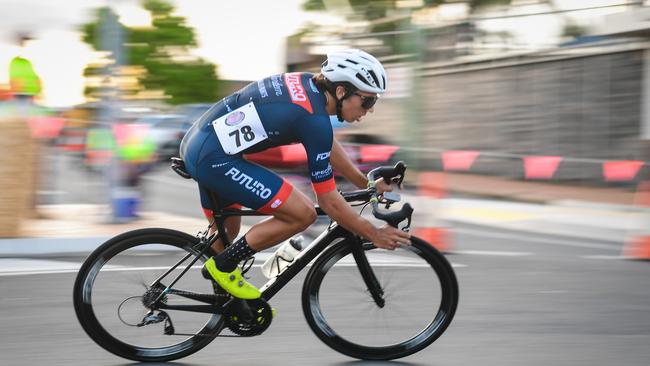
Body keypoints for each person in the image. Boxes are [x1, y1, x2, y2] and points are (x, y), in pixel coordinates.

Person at [180, 49, 411, 300]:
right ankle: (223, 268)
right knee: (302, 214)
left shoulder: (308, 86)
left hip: (199, 144)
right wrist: (373, 233)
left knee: (228, 232)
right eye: (367, 101)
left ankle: (220, 306)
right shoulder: (313, 118)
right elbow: (329, 201)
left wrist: (364, 182)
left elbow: (324, 143)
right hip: (214, 158)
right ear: (341, 91)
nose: (370, 109)